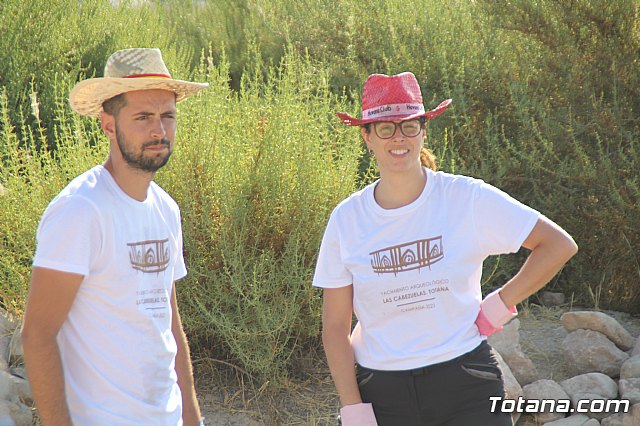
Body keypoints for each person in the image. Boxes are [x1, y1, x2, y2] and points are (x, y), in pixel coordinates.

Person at [313, 72, 578, 426]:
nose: (399, 138)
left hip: (466, 381)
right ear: (367, 137)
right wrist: (353, 409)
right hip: (383, 393)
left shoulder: (465, 197)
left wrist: (498, 304)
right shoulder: (347, 219)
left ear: (423, 130)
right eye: (385, 128)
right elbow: (334, 327)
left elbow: (557, 245)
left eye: (409, 125)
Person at [21, 48, 209, 426]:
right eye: (143, 117)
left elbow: (168, 322)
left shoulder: (166, 209)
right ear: (109, 124)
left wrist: (192, 419)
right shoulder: (81, 210)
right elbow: (37, 335)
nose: (159, 130)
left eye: (167, 116)